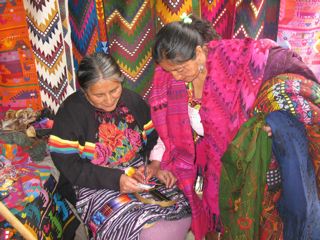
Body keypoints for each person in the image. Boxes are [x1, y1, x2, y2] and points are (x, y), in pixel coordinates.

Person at [149, 13, 320, 240]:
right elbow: (168, 128)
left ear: (199, 52)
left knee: (279, 215)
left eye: (179, 69)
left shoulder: (233, 62)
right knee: (223, 216)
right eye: (169, 70)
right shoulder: (172, 79)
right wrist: (156, 159)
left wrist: (271, 118)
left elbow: (284, 67)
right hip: (219, 166)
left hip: (258, 161)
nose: (175, 76)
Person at [48, 53, 191, 240]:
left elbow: (155, 137)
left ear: (121, 82)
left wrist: (155, 166)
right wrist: (116, 179)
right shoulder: (71, 113)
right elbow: (69, 165)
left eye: (114, 90)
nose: (108, 99)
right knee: (131, 224)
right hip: (92, 183)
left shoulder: (133, 102)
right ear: (84, 90)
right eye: (99, 94)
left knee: (180, 210)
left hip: (139, 172)